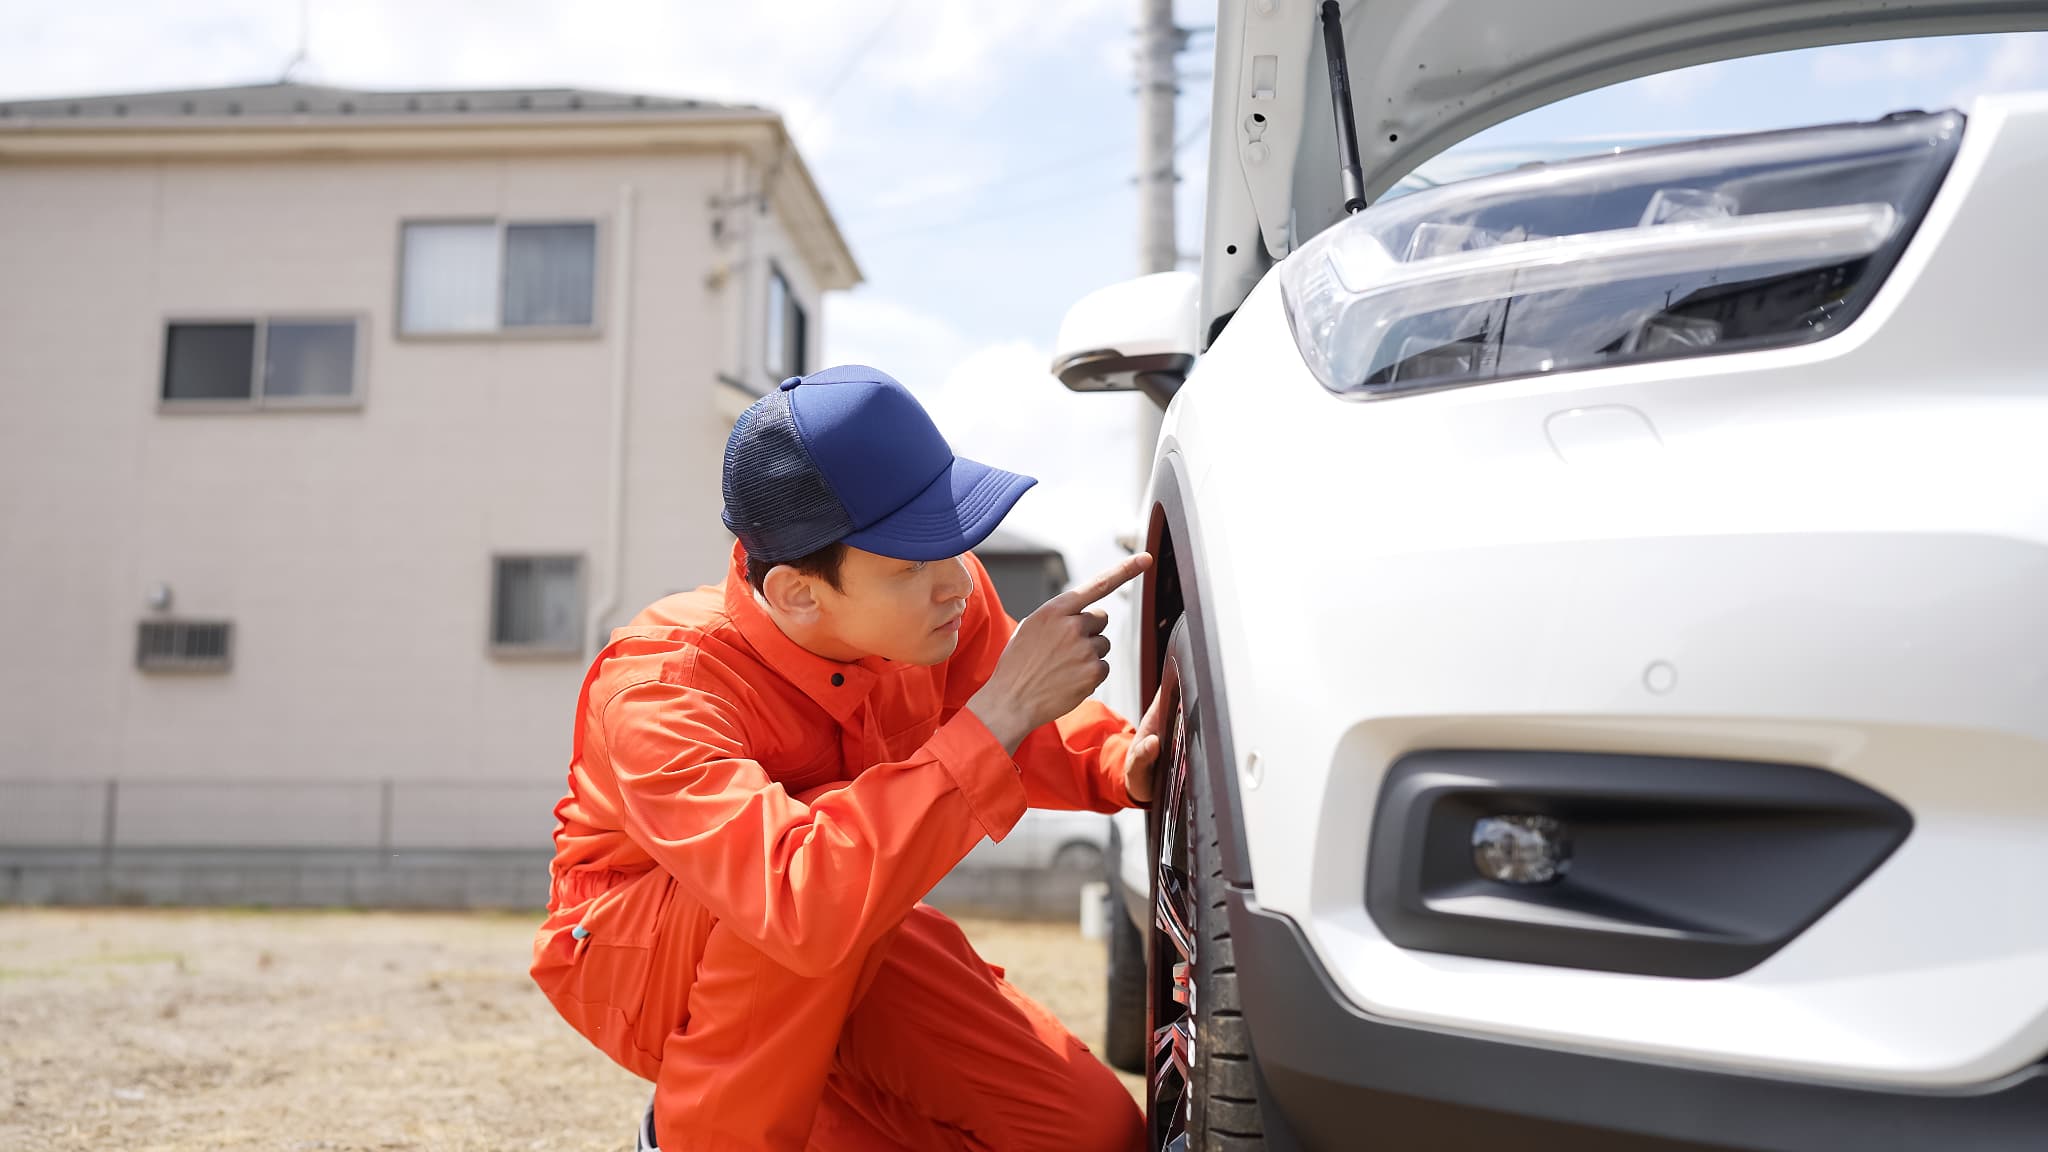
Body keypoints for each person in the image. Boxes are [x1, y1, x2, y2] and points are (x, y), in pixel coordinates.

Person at [530, 364, 1163, 1151]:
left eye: (955, 539)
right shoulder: (663, 685)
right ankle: (696, 1132)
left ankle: (810, 1098)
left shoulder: (937, 606)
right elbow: (792, 895)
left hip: (849, 923)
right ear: (799, 593)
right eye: (909, 564)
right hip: (653, 954)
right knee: (795, 908)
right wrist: (1001, 711)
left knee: (1093, 1136)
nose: (956, 584)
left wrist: (1120, 758)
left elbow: (1021, 727)